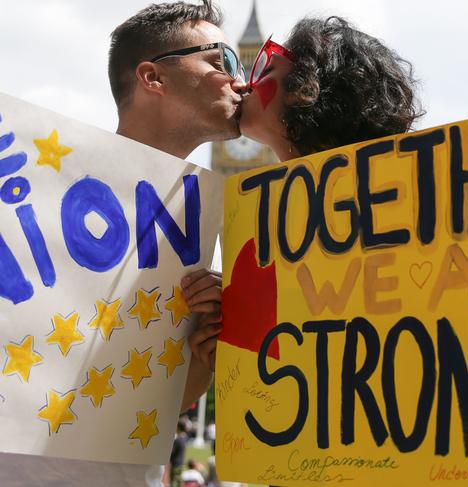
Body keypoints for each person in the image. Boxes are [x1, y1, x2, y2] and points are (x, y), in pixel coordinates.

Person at [0, 2, 242, 486]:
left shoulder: (197, 229)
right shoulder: (32, 191)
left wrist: (203, 350)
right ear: (153, 77)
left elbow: (172, 396)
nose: (240, 82)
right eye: (222, 62)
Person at [182, 15, 423, 370]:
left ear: (306, 87)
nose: (244, 85)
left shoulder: (385, 224)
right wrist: (242, 324)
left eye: (265, 67)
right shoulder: (265, 221)